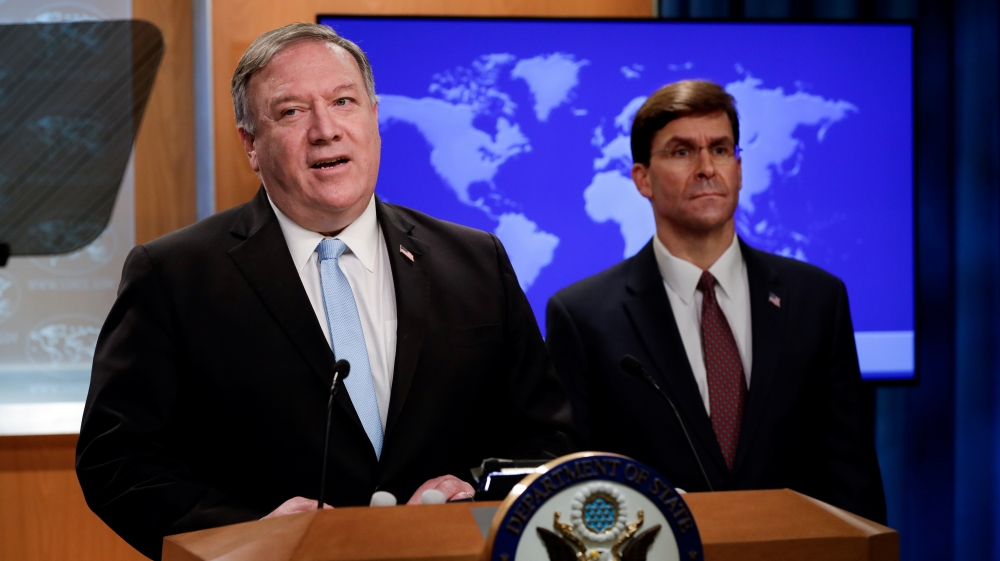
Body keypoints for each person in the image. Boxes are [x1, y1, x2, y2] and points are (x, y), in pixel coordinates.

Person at [76, 23, 573, 559]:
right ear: (251, 144)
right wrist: (250, 535)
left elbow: (547, 439)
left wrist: (474, 489)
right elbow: (119, 460)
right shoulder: (174, 275)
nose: (325, 130)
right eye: (291, 111)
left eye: (343, 101)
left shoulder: (475, 261)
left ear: (373, 117)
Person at [545, 79, 886, 523]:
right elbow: (577, 488)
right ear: (643, 179)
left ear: (738, 169)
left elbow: (852, 479)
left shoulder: (817, 299)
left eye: (720, 149)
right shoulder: (583, 317)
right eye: (681, 152)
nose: (707, 168)